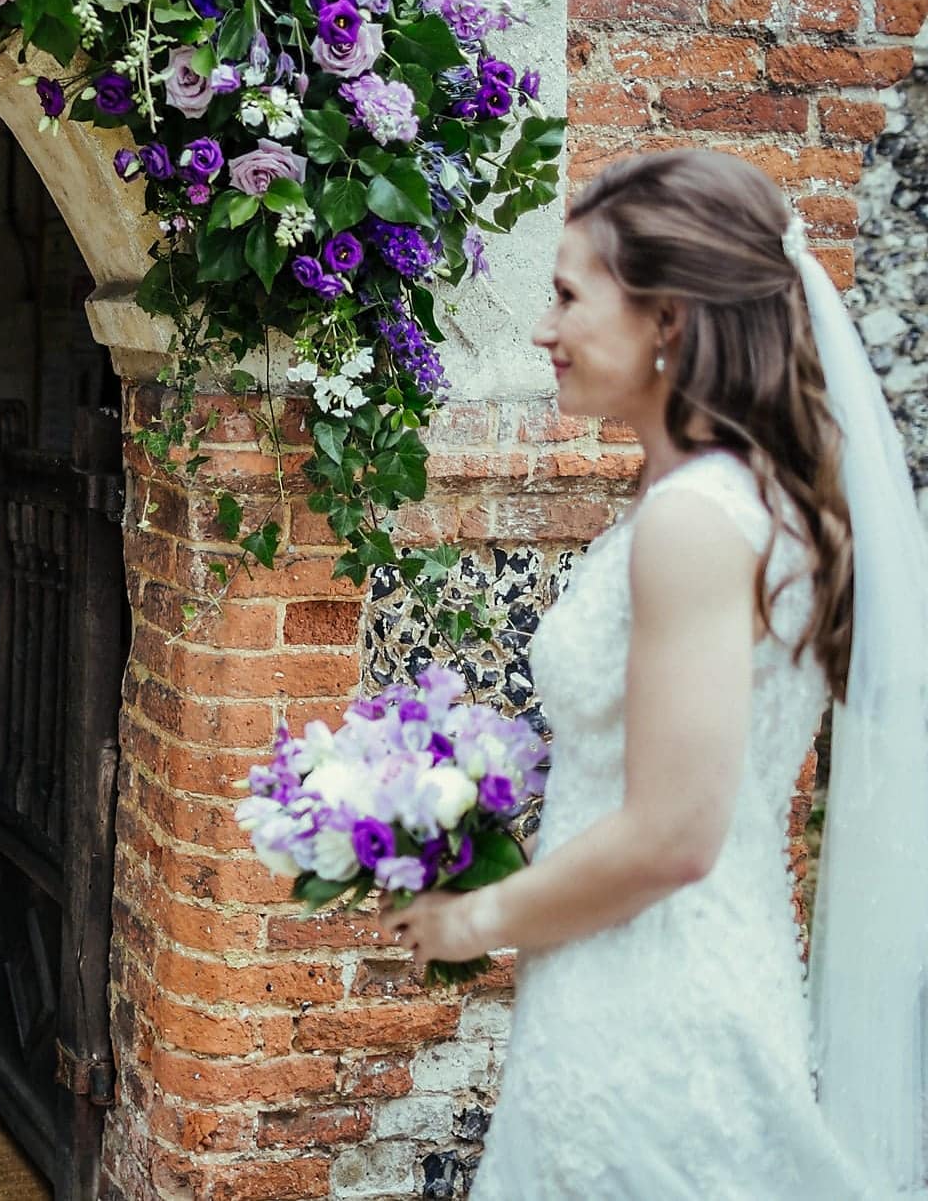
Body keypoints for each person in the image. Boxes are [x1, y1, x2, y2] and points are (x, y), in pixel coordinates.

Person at [388, 149, 928, 1197]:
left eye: (564, 295)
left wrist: (473, 919)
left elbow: (673, 835)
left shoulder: (692, 519)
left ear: (667, 323)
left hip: (649, 1005)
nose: (541, 331)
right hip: (675, 970)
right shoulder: (733, 500)